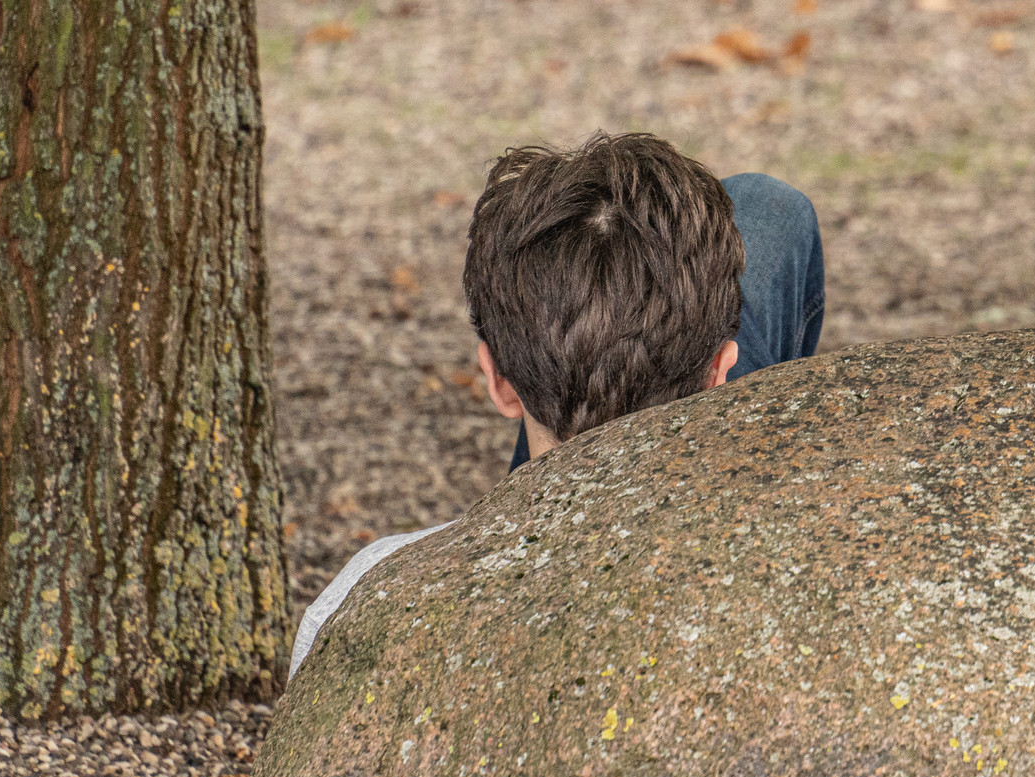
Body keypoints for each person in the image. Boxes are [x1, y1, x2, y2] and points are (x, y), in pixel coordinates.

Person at [289, 132, 828, 675]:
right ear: (721, 372)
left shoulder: (355, 600)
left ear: (497, 381)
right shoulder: (811, 585)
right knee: (770, 209)